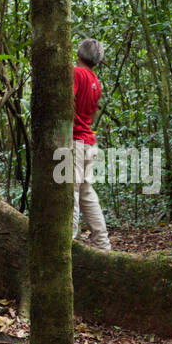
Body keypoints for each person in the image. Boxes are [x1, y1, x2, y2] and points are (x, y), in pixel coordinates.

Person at [72, 38, 111, 251]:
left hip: (76, 141)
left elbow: (67, 100)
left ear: (79, 54)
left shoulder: (76, 73)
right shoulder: (96, 80)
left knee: (72, 192)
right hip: (88, 140)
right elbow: (93, 114)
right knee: (86, 192)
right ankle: (102, 244)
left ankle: (67, 243)